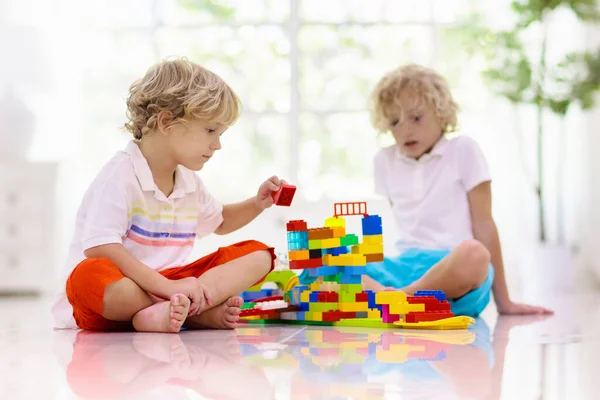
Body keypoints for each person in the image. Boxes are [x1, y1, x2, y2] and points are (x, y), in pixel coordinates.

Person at [51, 57, 286, 332]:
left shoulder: (189, 182)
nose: (218, 144)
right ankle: (185, 311)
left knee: (260, 255)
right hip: (119, 292)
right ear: (166, 122)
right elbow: (100, 247)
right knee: (87, 277)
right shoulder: (120, 175)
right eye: (210, 130)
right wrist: (166, 287)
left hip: (171, 286)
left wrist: (257, 203)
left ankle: (176, 310)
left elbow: (220, 222)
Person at [363, 64, 553, 317]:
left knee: (474, 253)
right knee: (331, 259)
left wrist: (504, 302)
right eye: (394, 122)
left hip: (452, 275)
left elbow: (484, 226)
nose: (405, 130)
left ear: (442, 114)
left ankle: (397, 299)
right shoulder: (384, 161)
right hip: (405, 268)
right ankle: (400, 298)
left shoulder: (463, 150)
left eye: (416, 118)